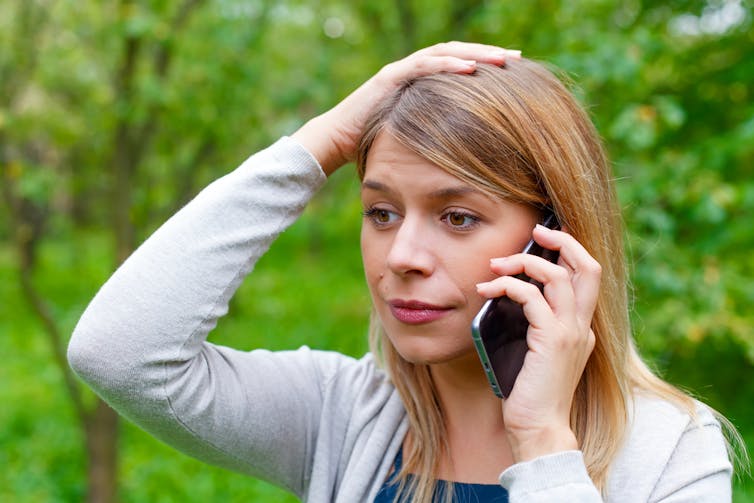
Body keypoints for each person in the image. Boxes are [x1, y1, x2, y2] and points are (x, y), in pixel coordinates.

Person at [67, 42, 739, 502]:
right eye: (382, 212)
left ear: (556, 240)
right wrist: (322, 142)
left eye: (457, 217)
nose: (401, 256)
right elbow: (120, 352)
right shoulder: (343, 412)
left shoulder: (670, 448)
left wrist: (542, 442)